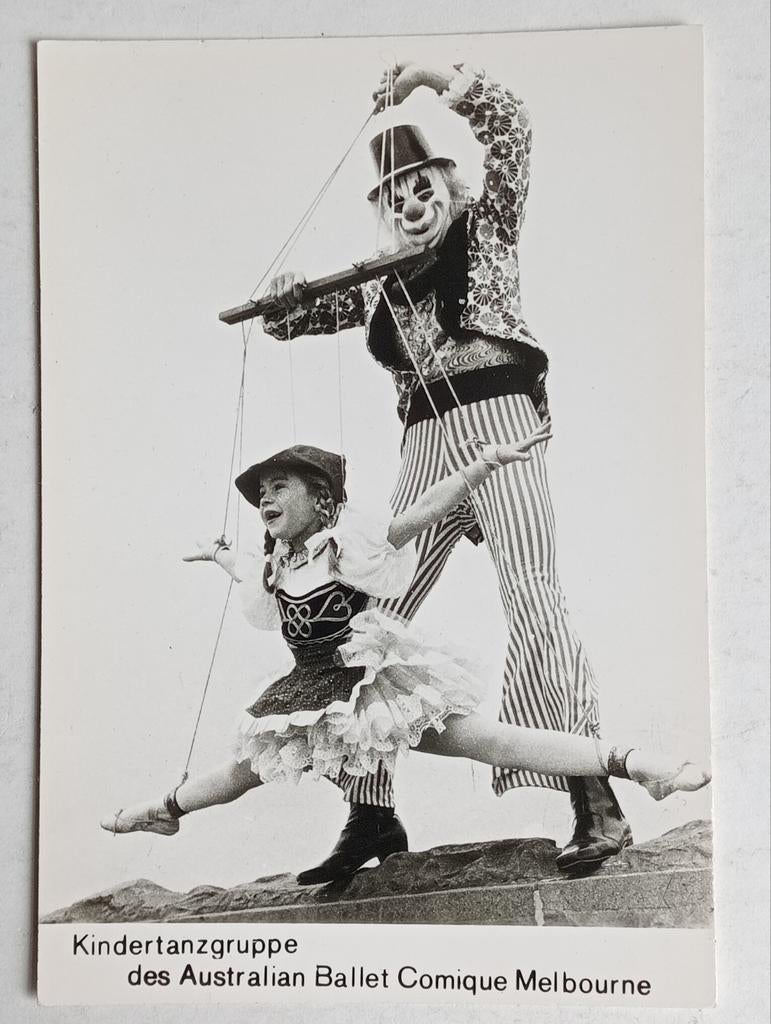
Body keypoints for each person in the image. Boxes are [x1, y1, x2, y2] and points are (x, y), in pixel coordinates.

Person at [259, 60, 630, 882]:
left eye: (421, 188)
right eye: (395, 199)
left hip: (501, 430)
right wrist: (284, 296)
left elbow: (513, 129)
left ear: (447, 188)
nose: (410, 205)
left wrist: (431, 78)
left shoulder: (487, 227)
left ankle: (592, 797)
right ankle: (371, 814)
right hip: (426, 447)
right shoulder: (377, 282)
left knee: (532, 597)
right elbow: (293, 319)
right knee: (360, 622)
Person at [101, 440, 709, 856]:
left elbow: (414, 519)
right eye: (260, 492)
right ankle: (165, 809)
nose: (265, 498)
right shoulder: (275, 565)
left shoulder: (346, 547)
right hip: (310, 689)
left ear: (319, 498)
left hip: (370, 684)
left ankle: (637, 764)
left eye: (278, 486)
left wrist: (478, 469)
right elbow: (249, 578)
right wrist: (221, 557)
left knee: (487, 741)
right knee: (245, 770)